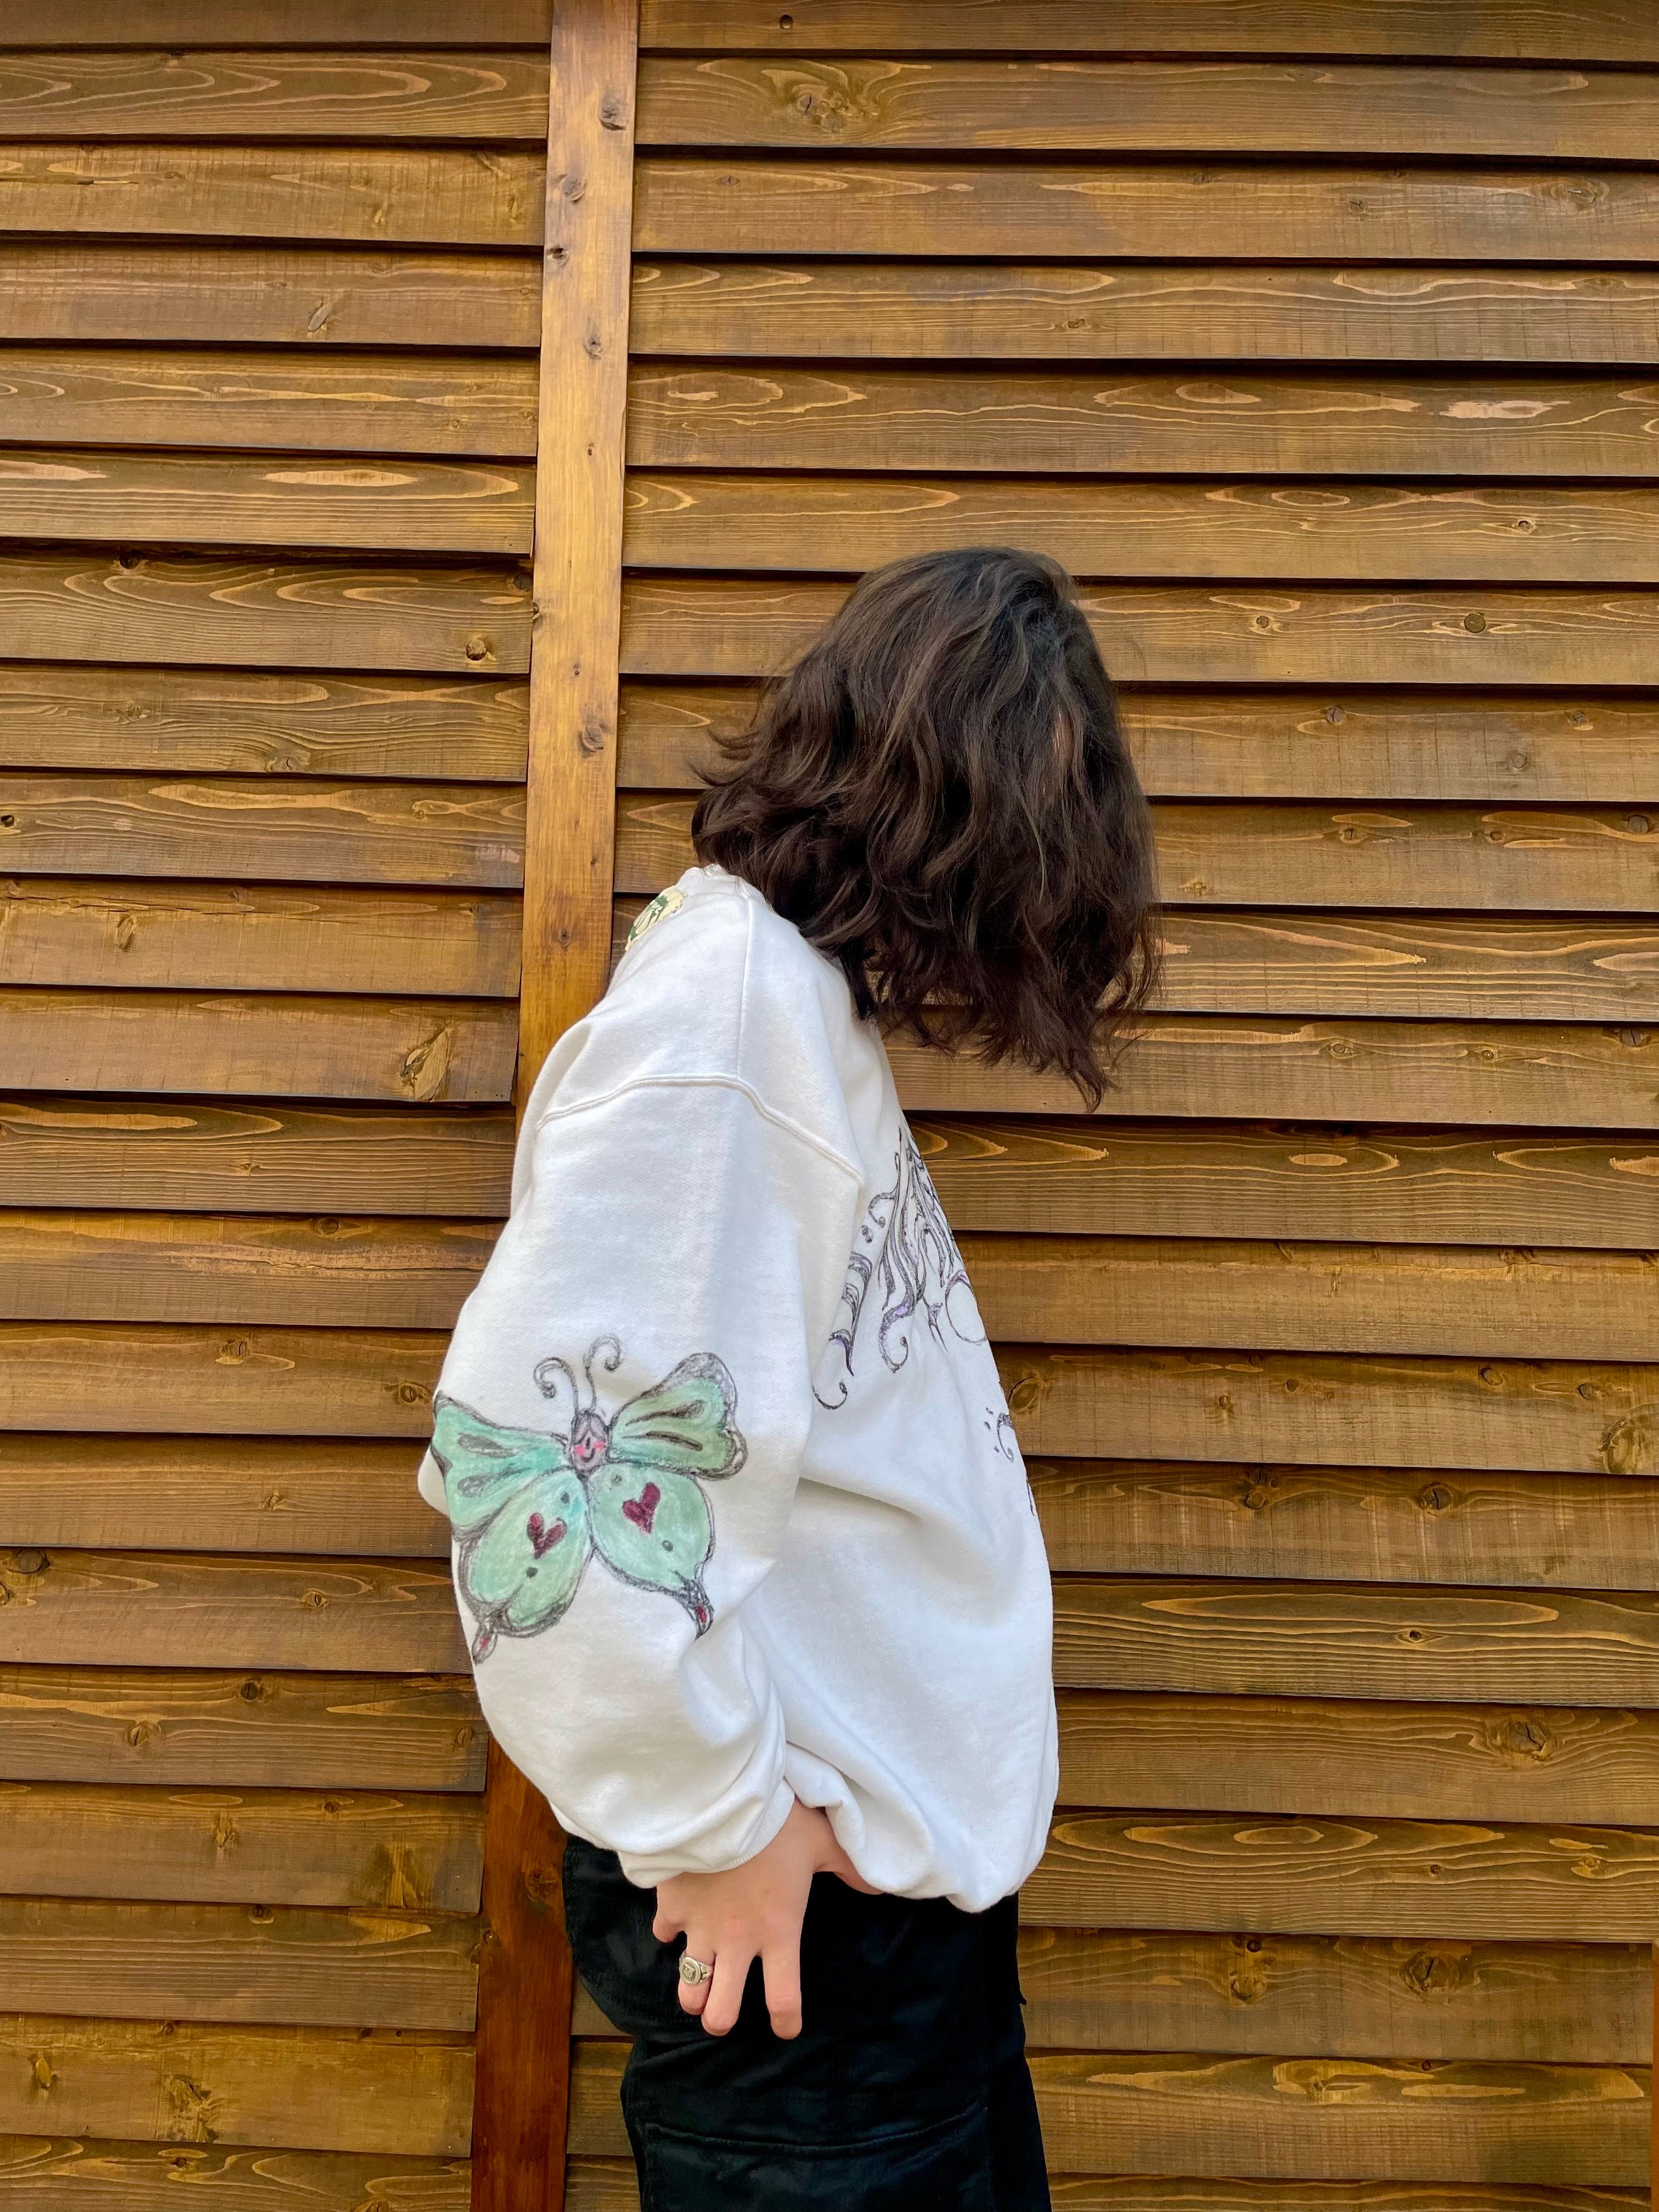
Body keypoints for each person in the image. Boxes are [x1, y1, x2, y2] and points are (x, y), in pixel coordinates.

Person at [418, 546, 1160, 2210]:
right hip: (800, 1936)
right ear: (964, 813)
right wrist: (717, 1827)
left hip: (868, 1932)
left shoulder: (780, 1007)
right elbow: (542, 1483)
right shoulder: (727, 1033)